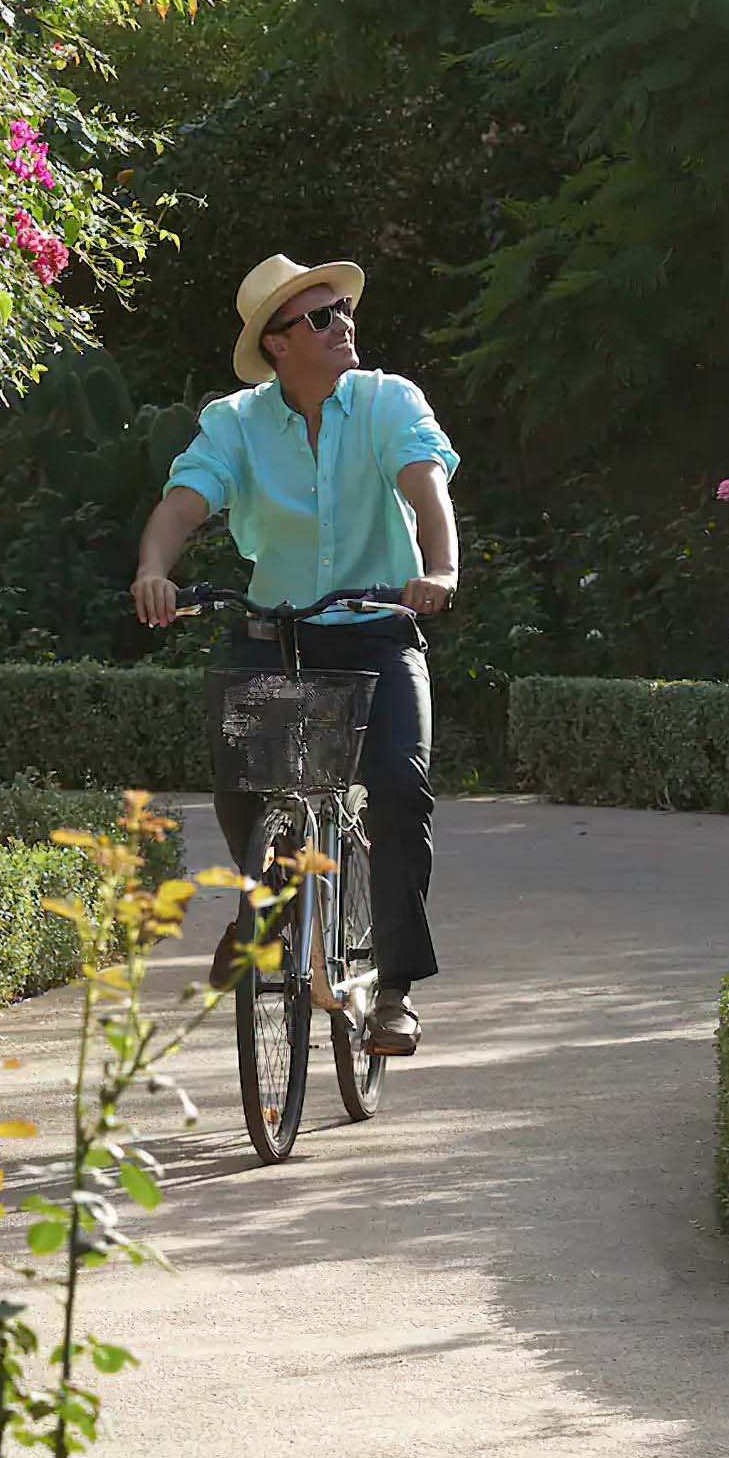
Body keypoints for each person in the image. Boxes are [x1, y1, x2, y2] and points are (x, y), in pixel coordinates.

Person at [130, 253, 459, 1056]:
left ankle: (394, 990)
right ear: (277, 343)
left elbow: (427, 488)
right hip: (274, 632)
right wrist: (153, 570)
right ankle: (262, 914)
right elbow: (182, 505)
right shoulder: (236, 422)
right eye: (320, 316)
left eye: (343, 307)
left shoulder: (387, 401)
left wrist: (440, 569)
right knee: (242, 779)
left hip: (378, 630)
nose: (342, 321)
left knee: (399, 790)